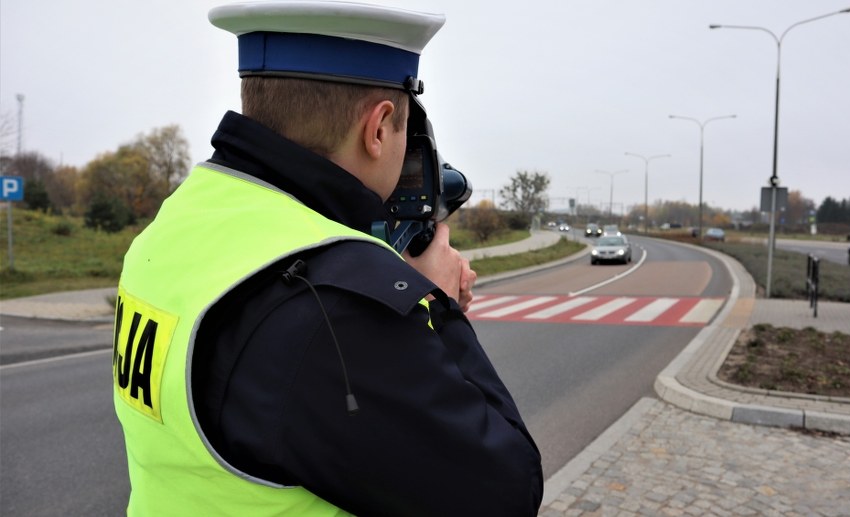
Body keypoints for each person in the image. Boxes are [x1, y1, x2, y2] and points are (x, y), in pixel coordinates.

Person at [111, 1, 543, 515]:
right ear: (379, 127)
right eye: (405, 133)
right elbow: (506, 492)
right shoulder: (339, 308)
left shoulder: (175, 223)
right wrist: (438, 304)